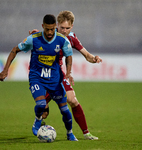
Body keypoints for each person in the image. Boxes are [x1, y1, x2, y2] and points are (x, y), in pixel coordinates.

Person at [0, 14, 78, 141]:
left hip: (54, 80)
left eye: (52, 29)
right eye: (47, 29)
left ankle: (70, 133)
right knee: (41, 104)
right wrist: (5, 69)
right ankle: (38, 119)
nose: (50, 32)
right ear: (43, 27)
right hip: (37, 78)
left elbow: (69, 56)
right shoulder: (33, 39)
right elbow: (15, 50)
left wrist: (68, 73)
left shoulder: (62, 40)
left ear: (55, 27)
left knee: (64, 109)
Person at [29, 10, 102, 140]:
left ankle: (86, 133)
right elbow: (35, 40)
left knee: (72, 100)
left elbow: (86, 55)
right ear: (57, 25)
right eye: (62, 27)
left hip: (58, 76)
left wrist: (94, 58)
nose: (64, 30)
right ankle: (39, 118)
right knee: (43, 110)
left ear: (72, 27)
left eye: (67, 28)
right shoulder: (50, 34)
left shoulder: (71, 38)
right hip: (43, 76)